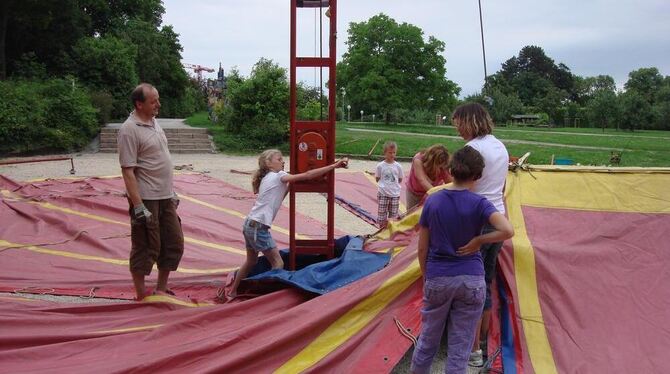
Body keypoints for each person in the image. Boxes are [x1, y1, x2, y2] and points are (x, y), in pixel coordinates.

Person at [410, 146, 514, 374]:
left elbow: (422, 247)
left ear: (450, 169)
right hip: (471, 280)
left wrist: (428, 276)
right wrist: (478, 240)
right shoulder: (480, 203)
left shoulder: (434, 201)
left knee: (427, 342)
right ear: (478, 176)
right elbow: (507, 230)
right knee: (460, 349)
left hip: (438, 276)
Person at [228, 150, 349, 299]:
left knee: (251, 261)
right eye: (279, 159)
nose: (283, 161)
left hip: (250, 224)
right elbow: (307, 175)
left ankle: (233, 291)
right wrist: (334, 166)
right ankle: (268, 297)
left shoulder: (268, 177)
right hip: (258, 227)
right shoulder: (278, 176)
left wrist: (291, 184)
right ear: (268, 163)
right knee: (278, 263)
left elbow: (279, 197)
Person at [451, 102, 510, 367]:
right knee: (484, 282)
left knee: (469, 286)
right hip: (497, 217)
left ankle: (471, 348)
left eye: (458, 124)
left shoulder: (472, 149)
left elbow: (463, 187)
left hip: (475, 220)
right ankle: (482, 344)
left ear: (468, 122)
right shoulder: (500, 146)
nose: (456, 130)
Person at [117, 83, 184, 301]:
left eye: (158, 99)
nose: (158, 104)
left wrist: (171, 192)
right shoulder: (129, 130)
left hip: (165, 197)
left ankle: (161, 288)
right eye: (153, 101)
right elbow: (128, 171)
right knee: (146, 246)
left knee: (173, 243)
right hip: (146, 198)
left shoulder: (154, 122)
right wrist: (138, 206)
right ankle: (140, 295)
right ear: (139, 104)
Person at [405, 144, 452, 210]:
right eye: (438, 165)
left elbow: (451, 183)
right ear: (432, 162)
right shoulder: (418, 160)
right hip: (414, 193)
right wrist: (438, 196)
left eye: (442, 166)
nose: (440, 168)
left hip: (432, 193)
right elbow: (422, 180)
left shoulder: (443, 165)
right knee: (411, 215)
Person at [375, 141, 404, 227]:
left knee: (393, 215)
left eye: (394, 152)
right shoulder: (380, 166)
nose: (392, 155)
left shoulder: (398, 166)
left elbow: (400, 179)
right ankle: (381, 229)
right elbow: (377, 178)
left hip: (394, 194)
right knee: (381, 214)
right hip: (383, 193)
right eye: (390, 152)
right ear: (385, 153)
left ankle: (390, 231)